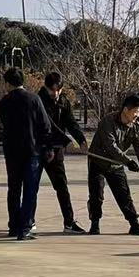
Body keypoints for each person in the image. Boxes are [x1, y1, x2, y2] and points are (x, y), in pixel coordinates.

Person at [0, 66, 64, 240]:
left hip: (12, 151)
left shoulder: (3, 103)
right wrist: (49, 147)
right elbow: (45, 125)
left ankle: (13, 225)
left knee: (14, 188)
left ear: (7, 83)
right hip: (32, 150)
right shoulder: (34, 99)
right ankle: (25, 226)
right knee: (30, 189)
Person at [87, 94, 139, 236]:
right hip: (98, 162)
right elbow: (111, 146)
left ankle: (134, 224)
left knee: (124, 194)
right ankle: (94, 223)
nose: (137, 115)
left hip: (116, 164)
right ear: (126, 110)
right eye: (135, 112)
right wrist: (128, 162)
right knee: (97, 195)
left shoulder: (135, 126)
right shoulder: (107, 122)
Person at [39, 71, 89, 233]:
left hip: (56, 150)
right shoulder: (38, 101)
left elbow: (71, 123)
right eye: (52, 90)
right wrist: (66, 141)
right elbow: (49, 125)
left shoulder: (63, 101)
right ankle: (28, 221)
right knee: (32, 187)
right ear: (46, 87)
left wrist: (81, 140)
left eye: (58, 90)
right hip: (39, 148)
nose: (55, 93)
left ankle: (69, 222)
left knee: (62, 186)